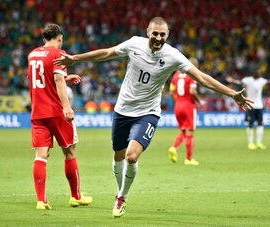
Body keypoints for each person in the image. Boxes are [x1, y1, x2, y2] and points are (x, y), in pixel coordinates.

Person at [54, 17, 253, 217]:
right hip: (123, 110)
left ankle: (122, 197)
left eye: (162, 34)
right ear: (148, 32)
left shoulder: (173, 56)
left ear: (167, 36)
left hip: (148, 113)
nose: (158, 37)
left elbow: (201, 78)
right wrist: (75, 58)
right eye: (155, 33)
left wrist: (232, 93)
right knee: (118, 155)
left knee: (132, 156)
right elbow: (107, 53)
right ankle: (119, 190)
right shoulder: (134, 44)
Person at [27, 23, 92, 210]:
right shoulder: (59, 55)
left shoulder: (32, 55)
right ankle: (76, 196)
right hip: (56, 111)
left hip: (37, 113)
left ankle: (41, 201)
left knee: (41, 156)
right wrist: (67, 106)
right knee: (70, 152)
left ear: (43, 38)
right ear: (60, 38)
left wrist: (65, 77)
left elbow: (38, 78)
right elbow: (55, 79)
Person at [226, 70, 270, 150]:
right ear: (254, 73)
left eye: (260, 73)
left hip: (259, 106)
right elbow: (240, 83)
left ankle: (259, 143)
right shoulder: (248, 80)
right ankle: (250, 143)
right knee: (250, 124)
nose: (259, 74)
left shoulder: (261, 80)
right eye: (258, 73)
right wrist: (232, 81)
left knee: (260, 124)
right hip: (250, 105)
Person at [168, 57, 205, 166]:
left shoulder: (175, 75)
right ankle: (189, 159)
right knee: (190, 132)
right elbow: (192, 91)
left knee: (184, 131)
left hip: (178, 105)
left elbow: (171, 93)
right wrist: (200, 101)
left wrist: (179, 101)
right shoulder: (192, 75)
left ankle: (174, 147)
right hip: (188, 105)